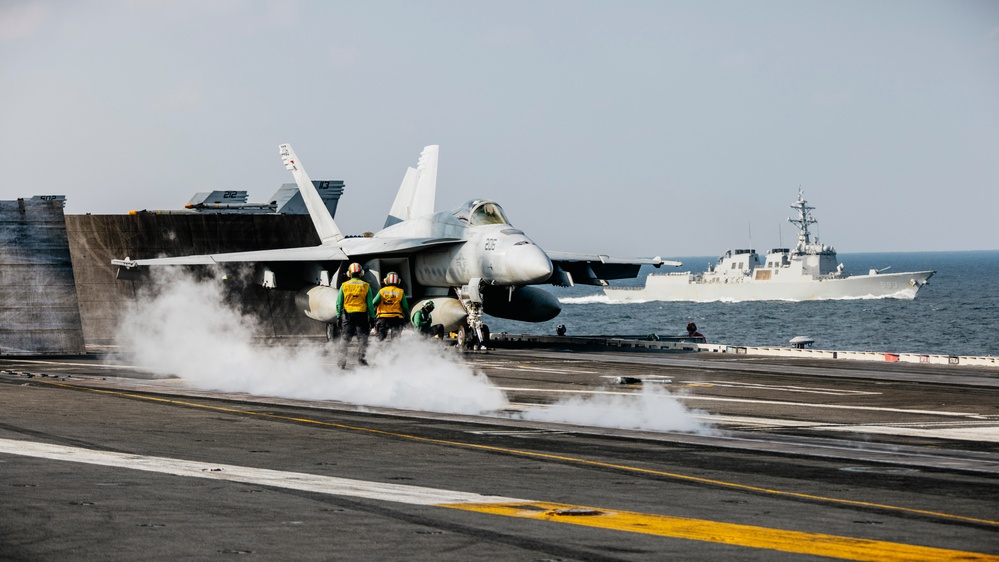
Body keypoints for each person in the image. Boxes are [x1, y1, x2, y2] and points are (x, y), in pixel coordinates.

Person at [335, 262, 375, 368]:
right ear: (361, 273)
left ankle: (341, 362)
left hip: (348, 316)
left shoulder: (344, 286)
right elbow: (370, 305)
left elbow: (339, 303)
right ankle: (361, 360)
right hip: (361, 316)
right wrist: (372, 317)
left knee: (345, 339)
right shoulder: (366, 286)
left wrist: (338, 316)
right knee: (362, 339)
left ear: (349, 274)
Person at [373, 272, 410, 341]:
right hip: (396, 318)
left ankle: (378, 351)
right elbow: (405, 307)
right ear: (398, 281)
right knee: (395, 340)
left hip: (383, 317)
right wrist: (407, 318)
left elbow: (374, 302)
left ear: (386, 280)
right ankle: (395, 351)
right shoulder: (401, 292)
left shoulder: (382, 291)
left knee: (380, 339)